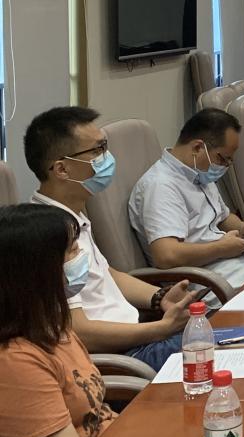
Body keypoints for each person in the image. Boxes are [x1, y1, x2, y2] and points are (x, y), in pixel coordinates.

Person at [24, 107, 195, 372]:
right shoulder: (48, 235)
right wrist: (159, 329)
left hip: (137, 338)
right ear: (62, 169)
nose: (107, 157)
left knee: (223, 333)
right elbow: (79, 332)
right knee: (217, 346)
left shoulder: (70, 215)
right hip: (120, 358)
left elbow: (105, 274)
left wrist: (160, 297)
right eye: (97, 150)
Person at [0, 204, 117, 437]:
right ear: (39, 271)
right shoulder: (15, 362)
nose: (81, 257)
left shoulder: (52, 326)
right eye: (72, 250)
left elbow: (99, 416)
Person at [129, 109, 244, 296]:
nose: (225, 166)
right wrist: (221, 248)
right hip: (206, 285)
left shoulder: (199, 173)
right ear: (197, 147)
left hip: (235, 271)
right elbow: (166, 255)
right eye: (222, 158)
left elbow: (222, 218)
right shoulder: (161, 186)